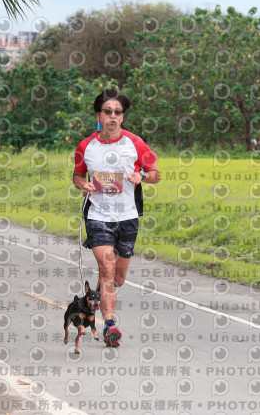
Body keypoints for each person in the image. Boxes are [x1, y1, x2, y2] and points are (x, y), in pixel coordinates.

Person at [73, 88, 160, 347]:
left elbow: (155, 173)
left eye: (118, 112)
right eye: (107, 111)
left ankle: (98, 292)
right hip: (97, 216)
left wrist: (141, 175)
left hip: (127, 217)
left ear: (123, 116)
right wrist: (83, 185)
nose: (113, 116)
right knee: (108, 268)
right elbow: (77, 175)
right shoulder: (86, 146)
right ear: (98, 115)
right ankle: (110, 324)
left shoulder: (135, 143)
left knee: (117, 278)